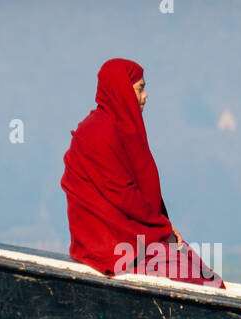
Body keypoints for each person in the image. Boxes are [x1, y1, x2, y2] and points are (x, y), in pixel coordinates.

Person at [61, 58, 225, 289]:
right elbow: (123, 194)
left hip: (132, 237)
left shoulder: (120, 128)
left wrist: (161, 227)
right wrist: (161, 228)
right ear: (121, 90)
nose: (146, 95)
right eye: (140, 88)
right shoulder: (98, 132)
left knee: (199, 271)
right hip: (110, 246)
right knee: (198, 280)